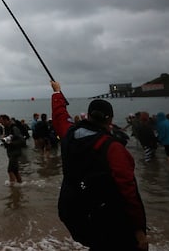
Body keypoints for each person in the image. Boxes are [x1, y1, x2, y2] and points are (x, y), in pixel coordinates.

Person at [51, 80, 148, 251]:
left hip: (71, 212)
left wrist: (57, 93)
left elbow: (60, 117)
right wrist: (139, 228)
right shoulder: (113, 148)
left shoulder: (69, 134)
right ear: (110, 119)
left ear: (88, 116)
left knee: (97, 244)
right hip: (103, 216)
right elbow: (128, 189)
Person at [0, 114, 24, 185]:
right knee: (15, 171)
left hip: (15, 152)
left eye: (1, 122)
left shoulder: (14, 128)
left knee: (10, 170)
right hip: (11, 152)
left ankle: (13, 188)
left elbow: (22, 140)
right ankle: (21, 184)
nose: (1, 123)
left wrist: (10, 143)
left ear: (6, 120)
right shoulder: (7, 128)